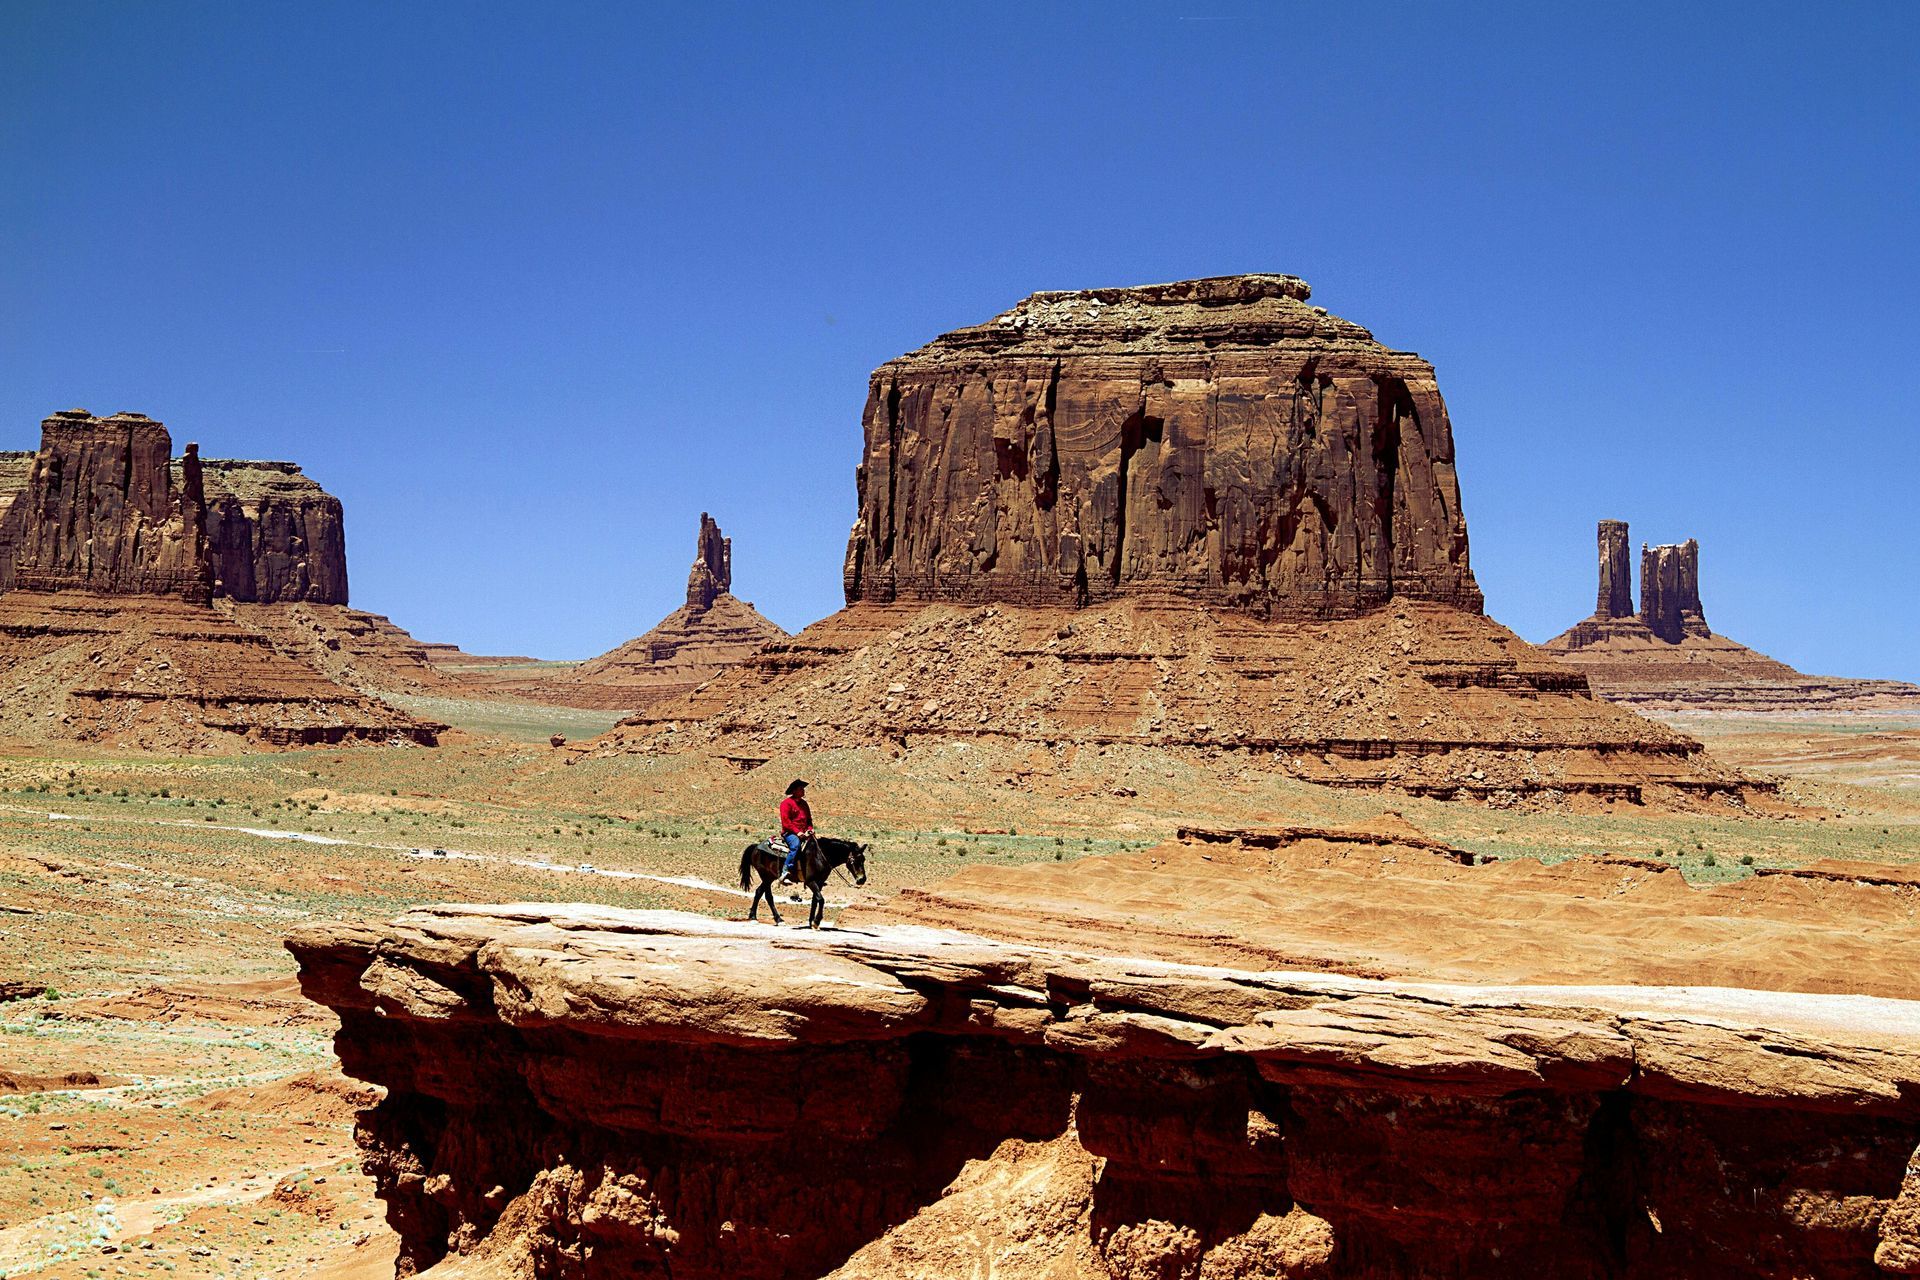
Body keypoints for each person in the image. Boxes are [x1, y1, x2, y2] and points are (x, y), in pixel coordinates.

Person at [778, 779, 814, 884]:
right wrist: (798, 832)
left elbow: (809, 821)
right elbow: (786, 822)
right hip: (790, 833)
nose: (803, 791)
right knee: (796, 845)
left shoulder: (804, 804)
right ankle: (785, 871)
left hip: (804, 833)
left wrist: (810, 830)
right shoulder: (786, 804)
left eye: (803, 789)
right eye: (800, 789)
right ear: (794, 791)